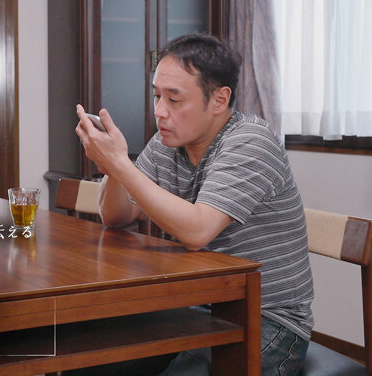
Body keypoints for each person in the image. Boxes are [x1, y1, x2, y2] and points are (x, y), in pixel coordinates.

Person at [75, 33, 313, 375]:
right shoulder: (166, 143)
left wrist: (121, 164)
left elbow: (197, 231)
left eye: (174, 99)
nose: (160, 111)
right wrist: (113, 167)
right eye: (157, 96)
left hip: (265, 318)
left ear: (219, 100)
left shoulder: (251, 140)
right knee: (88, 359)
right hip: (193, 303)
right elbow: (115, 216)